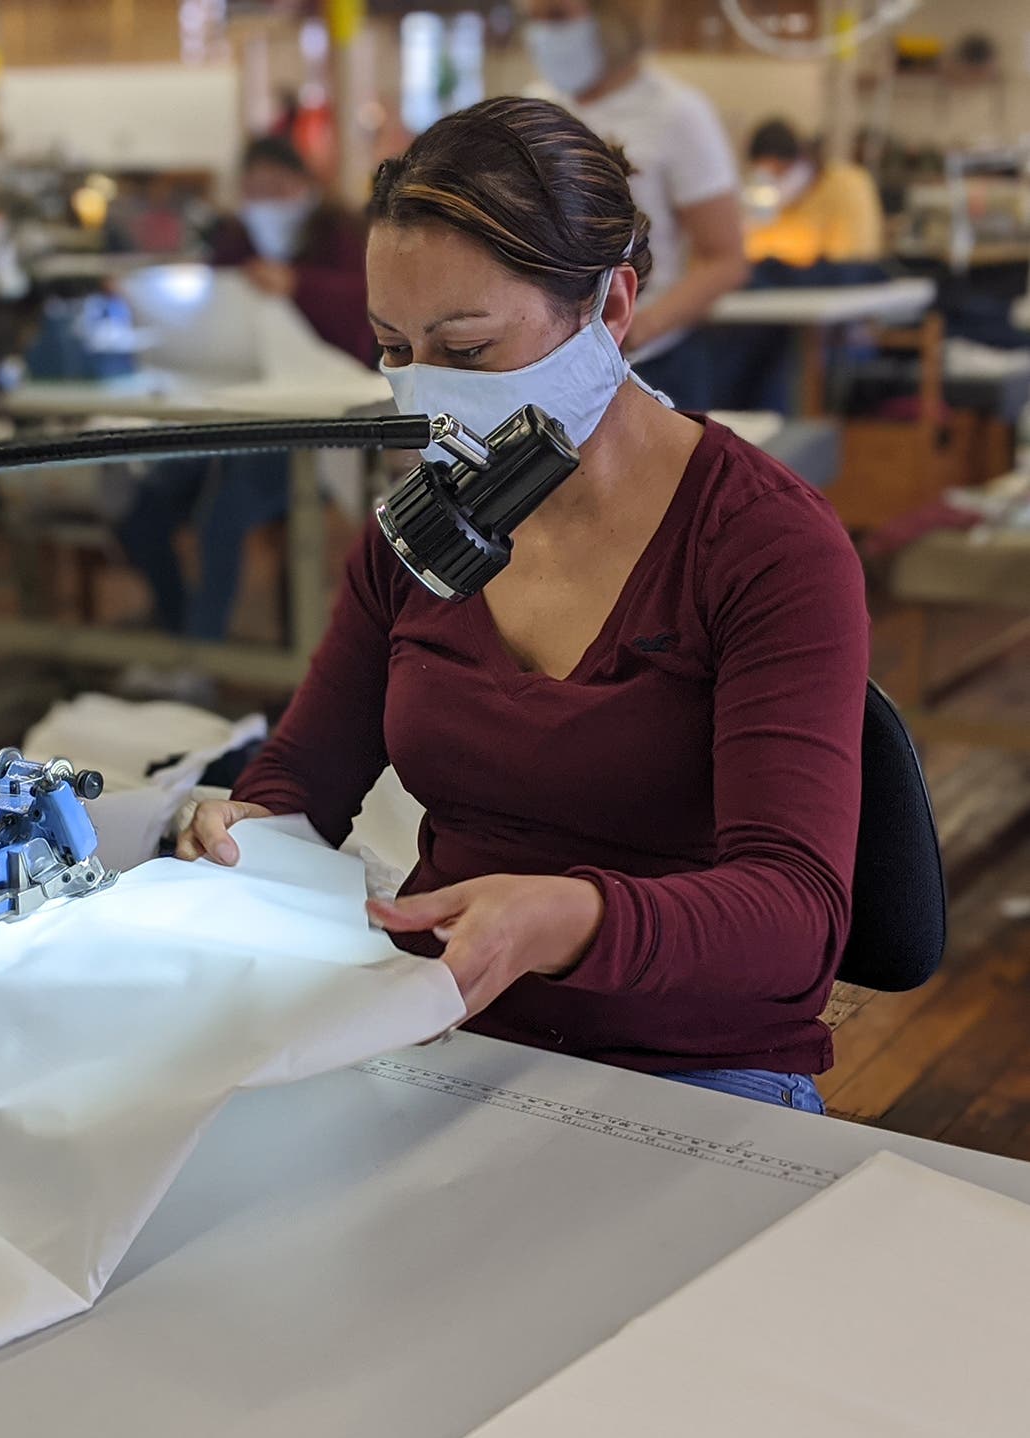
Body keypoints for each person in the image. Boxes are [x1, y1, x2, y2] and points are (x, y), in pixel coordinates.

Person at [178, 97, 868, 1113]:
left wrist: (571, 919)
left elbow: (796, 913)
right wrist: (238, 826)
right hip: (440, 1035)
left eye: (466, 351)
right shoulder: (420, 535)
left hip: (692, 1073)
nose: (425, 396)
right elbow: (301, 783)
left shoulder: (765, 547)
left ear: (612, 308)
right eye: (393, 349)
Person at [116, 137, 371, 643]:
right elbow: (204, 316)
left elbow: (368, 317)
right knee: (144, 508)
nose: (267, 202)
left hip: (310, 427)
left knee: (222, 516)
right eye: (255, 190)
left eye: (278, 188)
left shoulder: (343, 240)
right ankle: (181, 630)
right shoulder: (235, 244)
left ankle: (200, 654)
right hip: (228, 415)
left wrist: (299, 285)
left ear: (307, 186)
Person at [522, 0, 749, 410]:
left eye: (556, 17)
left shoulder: (678, 114)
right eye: (532, 18)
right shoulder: (532, 108)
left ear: (612, 19)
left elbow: (725, 259)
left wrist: (638, 328)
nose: (540, 34)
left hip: (651, 363)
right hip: (548, 362)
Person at [744, 118, 885, 268]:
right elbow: (754, 247)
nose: (773, 182)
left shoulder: (847, 185)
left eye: (778, 173)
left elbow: (853, 257)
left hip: (842, 281)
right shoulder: (776, 202)